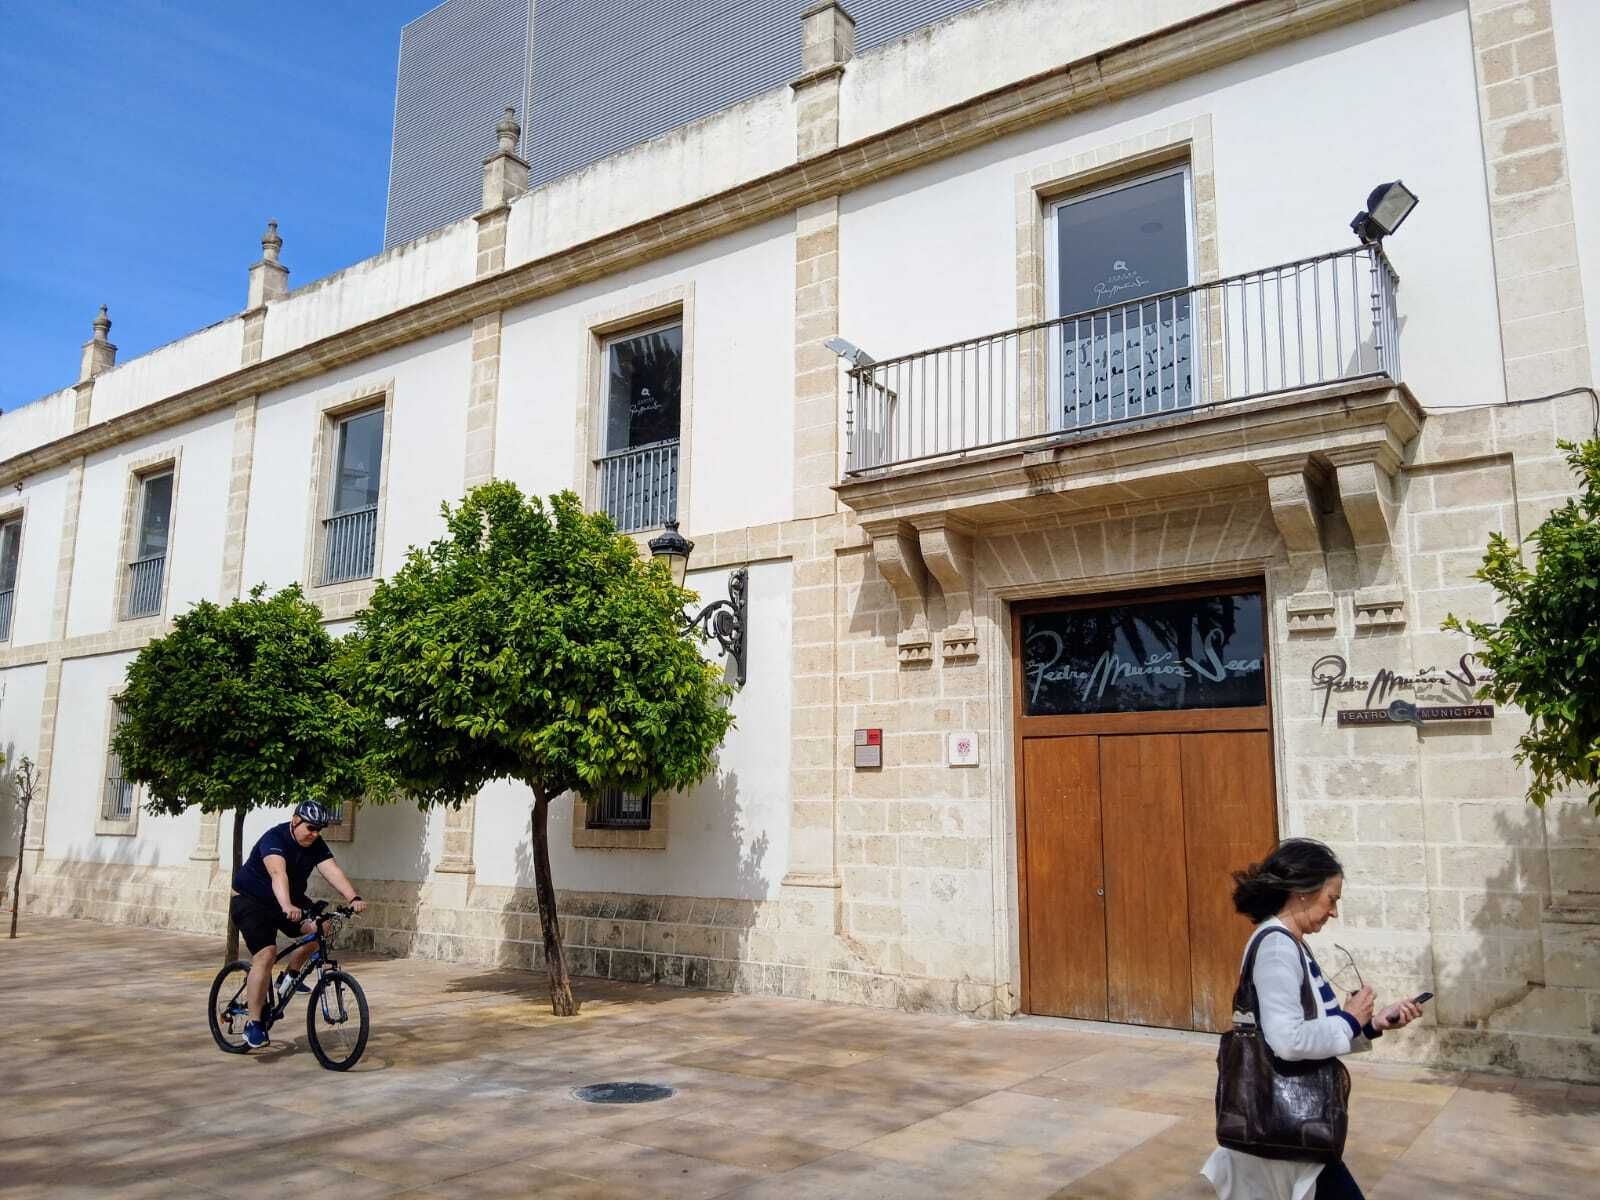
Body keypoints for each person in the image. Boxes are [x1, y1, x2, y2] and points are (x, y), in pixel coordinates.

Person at [1202, 839, 1424, 1200]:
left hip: (1292, 1133)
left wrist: (1373, 1024)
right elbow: (1289, 1041)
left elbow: (1312, 1031)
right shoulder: (1276, 947)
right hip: (1283, 1128)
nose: (1334, 911)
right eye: (1331, 898)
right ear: (1302, 893)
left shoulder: (1290, 942)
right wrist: (1350, 1020)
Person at [229, 800, 367, 1049]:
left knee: (324, 927)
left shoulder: (314, 843)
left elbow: (331, 869)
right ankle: (254, 1022)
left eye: (319, 830)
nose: (315, 834)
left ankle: (290, 974)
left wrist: (353, 897)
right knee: (266, 954)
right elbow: (277, 874)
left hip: (288, 901)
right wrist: (286, 906)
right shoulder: (275, 839)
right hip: (251, 901)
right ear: (295, 821)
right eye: (311, 828)